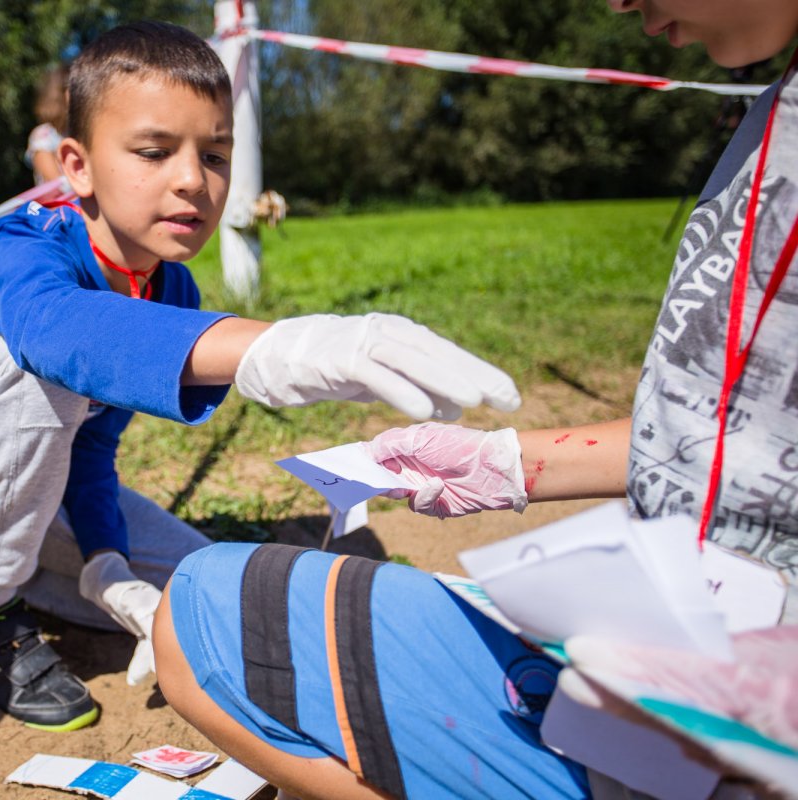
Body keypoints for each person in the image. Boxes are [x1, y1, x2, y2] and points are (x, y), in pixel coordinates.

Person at [155, 1, 798, 796]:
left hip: (738, 734)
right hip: (673, 654)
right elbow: (749, 435)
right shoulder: (774, 109)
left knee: (207, 615)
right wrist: (504, 462)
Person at [0, 21, 521, 733]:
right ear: (77, 167)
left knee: (208, 582)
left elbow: (88, 444)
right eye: (153, 151)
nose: (192, 179)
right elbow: (57, 336)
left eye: (215, 155)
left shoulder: (167, 286)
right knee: (28, 365)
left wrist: (107, 566)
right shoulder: (21, 244)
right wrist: (271, 349)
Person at [26, 65, 68, 185]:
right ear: (58, 93)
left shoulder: (82, 133)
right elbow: (55, 183)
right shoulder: (43, 136)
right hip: (62, 203)